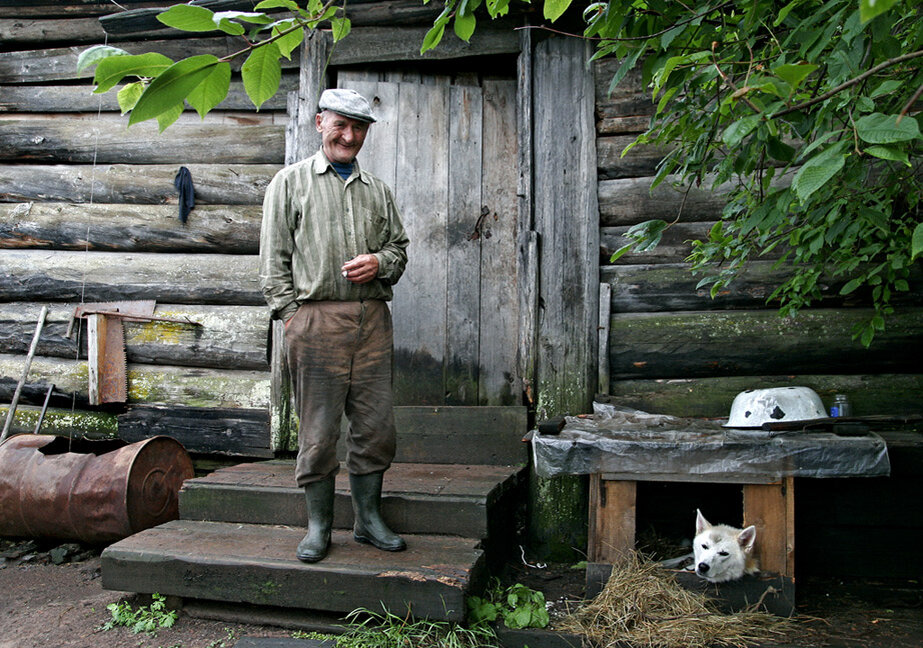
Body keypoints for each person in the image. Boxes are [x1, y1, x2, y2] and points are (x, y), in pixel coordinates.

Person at [259, 88, 410, 563]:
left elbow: (399, 250)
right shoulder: (289, 183)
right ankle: (319, 526)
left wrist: (380, 263)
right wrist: (292, 316)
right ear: (319, 122)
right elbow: (273, 262)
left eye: (358, 127)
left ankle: (367, 521)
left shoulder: (378, 191)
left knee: (376, 427)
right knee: (319, 432)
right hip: (315, 321)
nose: (349, 136)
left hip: (371, 323)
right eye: (340, 124)